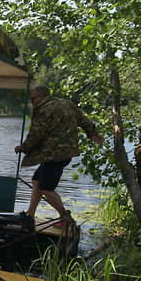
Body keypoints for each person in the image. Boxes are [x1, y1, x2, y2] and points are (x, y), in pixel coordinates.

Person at [14, 85, 103, 226]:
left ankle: (65, 218)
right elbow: (84, 120)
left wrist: (24, 147)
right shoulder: (67, 104)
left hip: (54, 155)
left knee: (46, 189)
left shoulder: (44, 109)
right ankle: (30, 214)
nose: (32, 103)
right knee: (37, 180)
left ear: (42, 97)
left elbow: (37, 133)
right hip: (65, 153)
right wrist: (92, 134)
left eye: (33, 99)